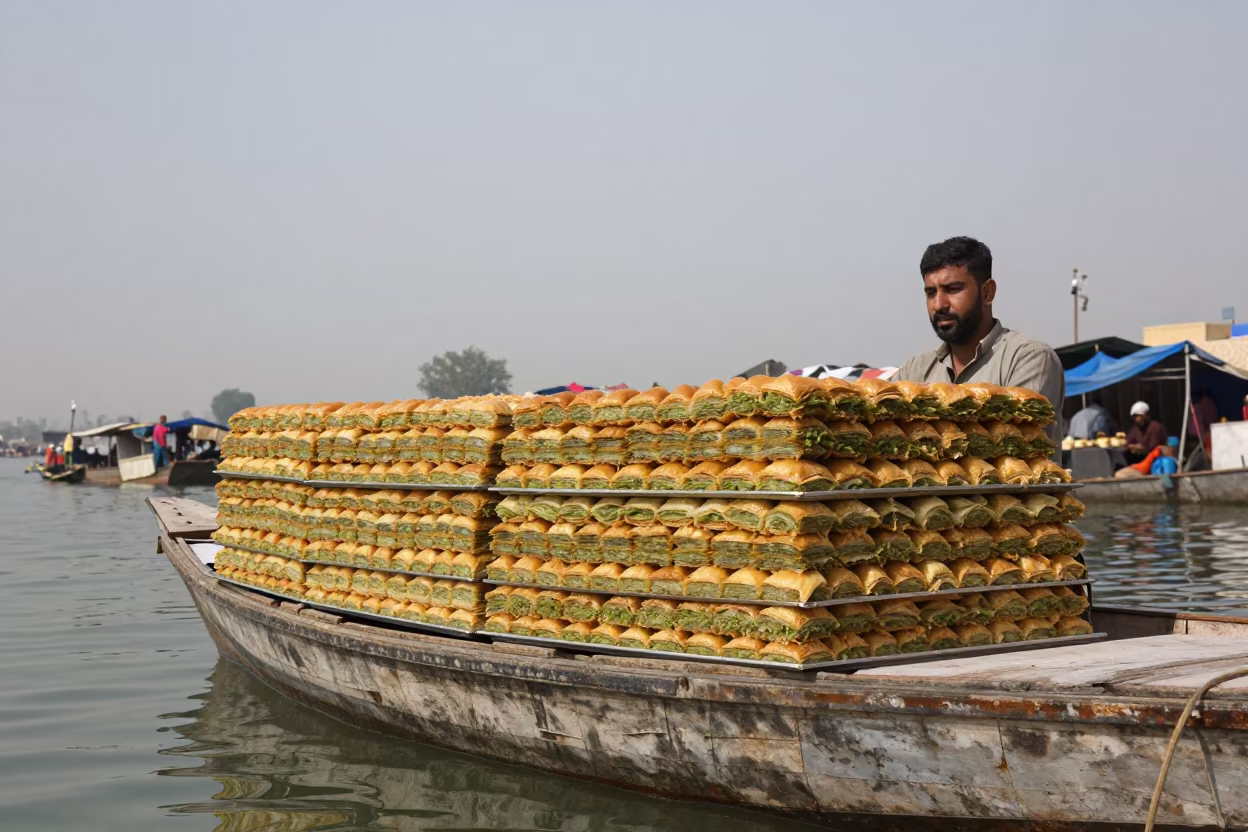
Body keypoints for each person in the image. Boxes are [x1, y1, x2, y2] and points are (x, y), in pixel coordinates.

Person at [895, 236, 1065, 448]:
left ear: (987, 292)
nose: (939, 304)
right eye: (931, 292)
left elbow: (1014, 445)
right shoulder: (914, 370)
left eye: (953, 289)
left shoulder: (1027, 358)